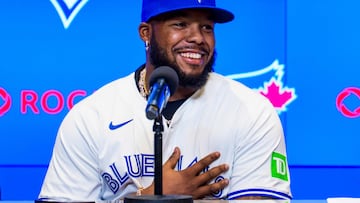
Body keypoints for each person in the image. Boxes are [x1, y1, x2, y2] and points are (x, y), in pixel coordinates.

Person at [38, 0, 292, 201]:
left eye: (207, 27)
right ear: (146, 33)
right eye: (180, 24)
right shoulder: (92, 115)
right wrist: (146, 198)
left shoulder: (250, 111)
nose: (198, 38)